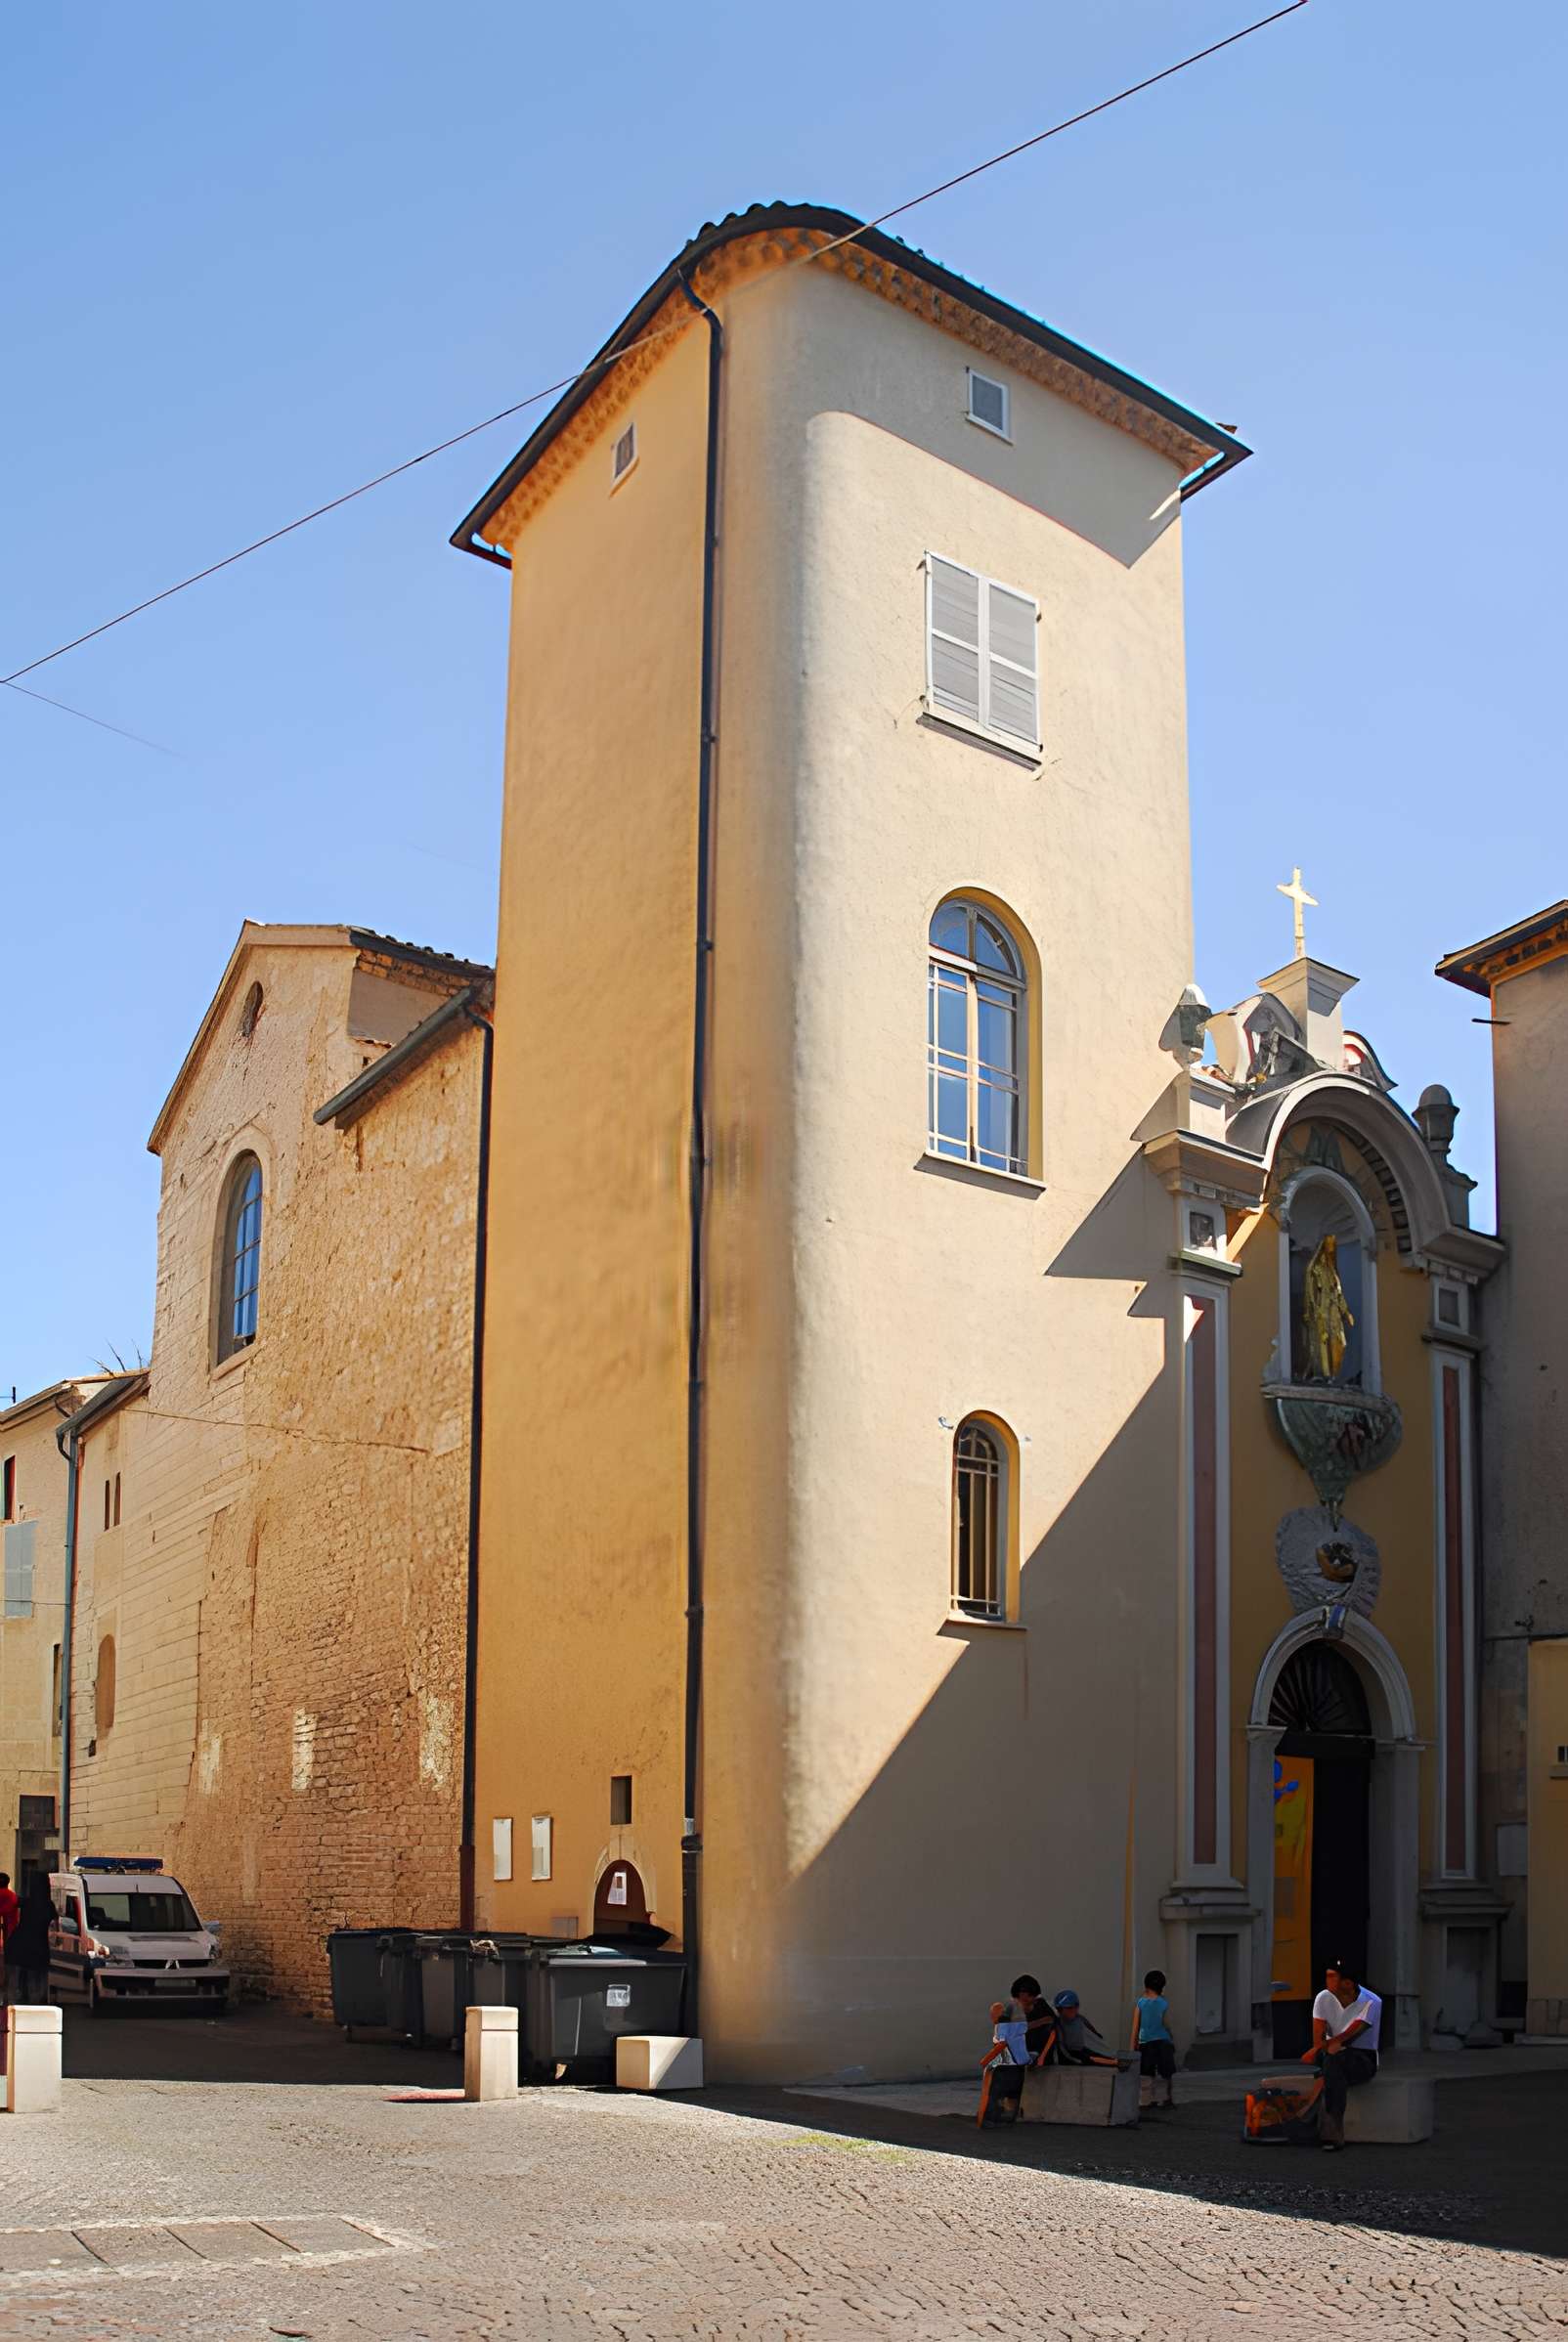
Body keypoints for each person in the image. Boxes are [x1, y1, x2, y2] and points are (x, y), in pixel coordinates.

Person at [1300, 1957, 1381, 2150]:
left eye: (1332, 1977)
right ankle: (1331, 2128)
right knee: (1332, 2061)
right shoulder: (1323, 1998)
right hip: (1328, 2053)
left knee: (1334, 2063)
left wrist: (1326, 2047)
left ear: (1347, 1983)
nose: (1327, 1980)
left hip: (1362, 2057)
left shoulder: (1371, 2001)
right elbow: (1318, 2038)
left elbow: (1351, 2034)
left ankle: (1331, 2127)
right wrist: (1323, 2048)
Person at [977, 1999, 1031, 2126]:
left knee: (995, 2092)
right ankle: (1007, 2117)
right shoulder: (1016, 2027)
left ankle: (990, 2118)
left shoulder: (1002, 2026)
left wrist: (986, 2059)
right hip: (1018, 2066)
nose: (992, 2017)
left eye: (993, 2014)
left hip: (1005, 2067)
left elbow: (1002, 2044)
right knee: (1011, 2093)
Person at [1130, 1968, 1177, 2111]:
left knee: (1146, 2073)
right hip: (1163, 2041)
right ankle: (1164, 2099)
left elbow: (1135, 2026)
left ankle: (1145, 2101)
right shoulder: (1164, 2003)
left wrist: (1133, 2046)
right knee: (1165, 2072)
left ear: (1146, 1986)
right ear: (1162, 1987)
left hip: (1146, 2043)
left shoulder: (1140, 2003)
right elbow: (1167, 2024)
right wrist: (1172, 2039)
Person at [4, 1876, 53, 2006]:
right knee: (36, 1978)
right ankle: (35, 2006)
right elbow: (54, 1927)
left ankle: (10, 2008)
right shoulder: (49, 1905)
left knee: (13, 1981)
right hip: (39, 1946)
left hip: (17, 1944)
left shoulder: (24, 1902)